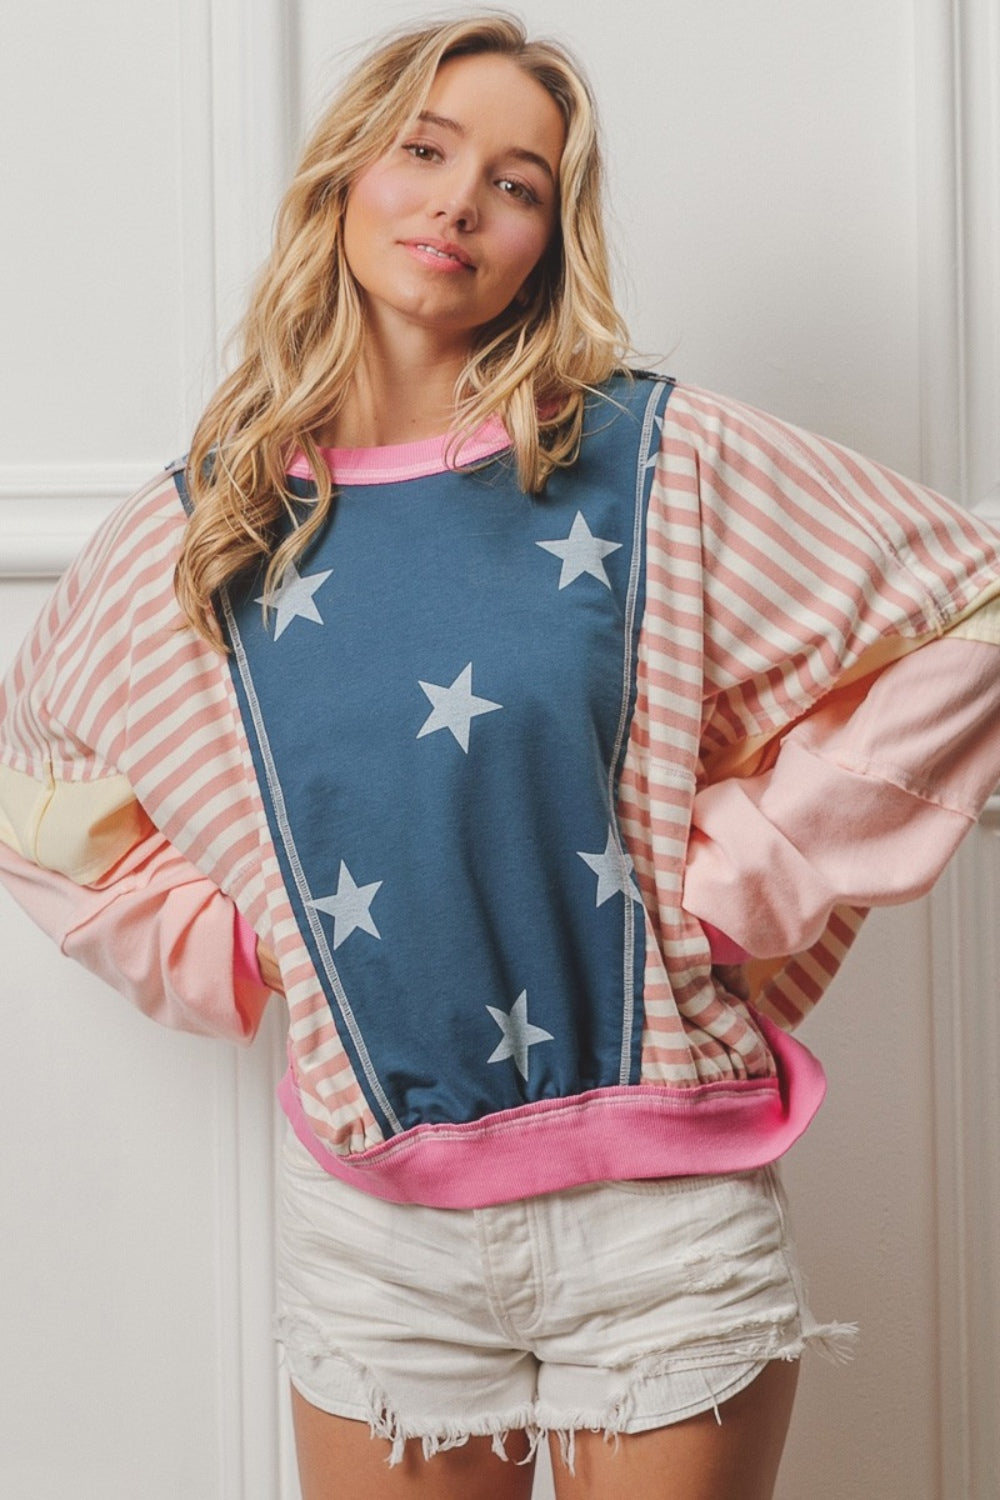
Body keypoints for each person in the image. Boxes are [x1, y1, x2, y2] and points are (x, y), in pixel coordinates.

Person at [2, 13, 999, 1499]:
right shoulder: (203, 527)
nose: (460, 201)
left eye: (516, 181)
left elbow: (965, 604)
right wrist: (261, 945)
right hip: (375, 1236)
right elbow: (40, 784)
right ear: (345, 178)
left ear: (548, 235)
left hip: (666, 1218)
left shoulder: (656, 459)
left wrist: (752, 875)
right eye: (423, 150)